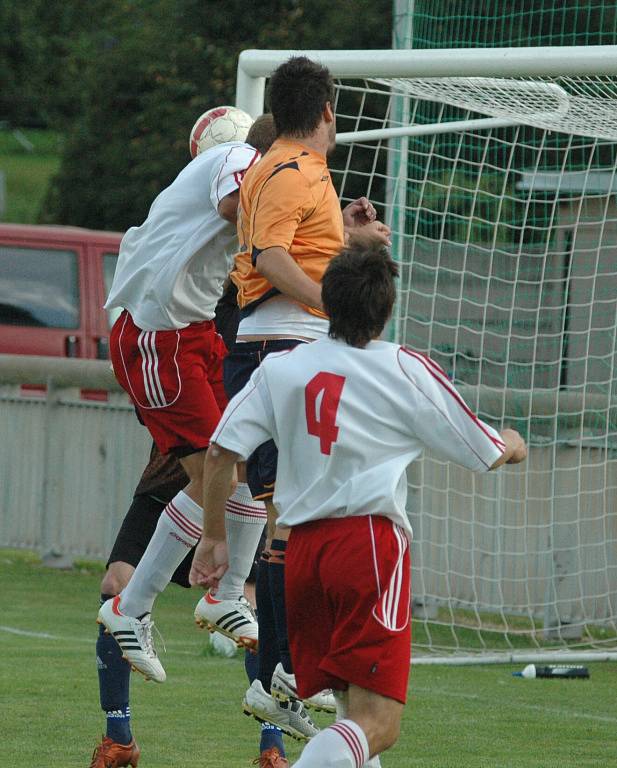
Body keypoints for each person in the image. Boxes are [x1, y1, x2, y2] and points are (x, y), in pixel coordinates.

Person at [190, 242, 528, 768]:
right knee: (379, 724)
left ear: (324, 300)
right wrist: (512, 441)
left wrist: (213, 538)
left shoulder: (284, 366)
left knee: (350, 713)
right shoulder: (404, 367)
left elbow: (219, 451)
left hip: (299, 554)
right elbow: (483, 451)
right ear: (388, 309)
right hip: (368, 546)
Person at [193, 56, 391, 747]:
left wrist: (348, 236)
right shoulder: (287, 168)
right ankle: (275, 674)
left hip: (283, 347)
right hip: (282, 347)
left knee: (290, 515)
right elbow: (272, 257)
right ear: (328, 111)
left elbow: (295, 245)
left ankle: (279, 678)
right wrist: (334, 305)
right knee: (290, 520)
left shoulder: (288, 170)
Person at [97, 113, 277, 684]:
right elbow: (235, 210)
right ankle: (134, 607)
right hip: (160, 339)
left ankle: (222, 596)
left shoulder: (233, 168)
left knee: (242, 464)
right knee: (212, 476)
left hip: (190, 334)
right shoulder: (239, 161)